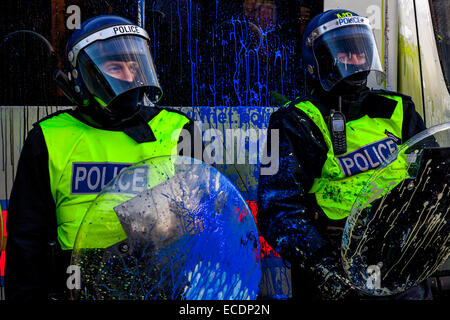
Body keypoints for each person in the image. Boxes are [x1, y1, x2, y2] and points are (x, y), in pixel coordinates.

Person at [5, 15, 202, 300]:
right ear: (84, 74)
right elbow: (27, 241)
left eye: (134, 65)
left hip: (161, 286)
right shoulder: (50, 137)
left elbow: (207, 227)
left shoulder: (176, 129)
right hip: (77, 289)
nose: (129, 75)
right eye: (114, 66)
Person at [257, 9, 432, 300]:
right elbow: (277, 210)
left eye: (359, 52)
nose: (355, 61)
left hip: (401, 262)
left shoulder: (399, 110)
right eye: (343, 54)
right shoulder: (295, 122)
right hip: (336, 265)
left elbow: (432, 183)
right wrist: (327, 271)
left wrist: (423, 240)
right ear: (319, 61)